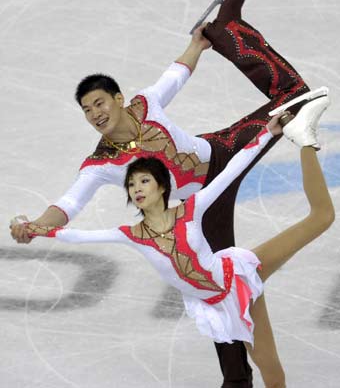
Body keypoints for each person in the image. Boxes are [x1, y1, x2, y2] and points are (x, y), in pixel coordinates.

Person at [10, 0, 327, 387]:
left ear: (118, 99)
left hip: (221, 152)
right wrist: (39, 224)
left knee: (294, 99)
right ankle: (236, 378)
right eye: (87, 111)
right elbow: (68, 204)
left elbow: (177, 71)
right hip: (199, 206)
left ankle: (228, 28)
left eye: (99, 103)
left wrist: (200, 42)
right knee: (217, 290)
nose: (95, 115)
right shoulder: (100, 164)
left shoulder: (145, 104)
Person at [21, 99, 335, 388]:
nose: (137, 188)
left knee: (322, 217)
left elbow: (231, 170)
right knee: (274, 377)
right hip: (222, 304)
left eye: (144, 181)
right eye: (131, 184)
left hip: (239, 277)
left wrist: (267, 134)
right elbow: (75, 235)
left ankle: (305, 140)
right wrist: (33, 228)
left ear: (161, 187)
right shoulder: (131, 235)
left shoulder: (191, 210)